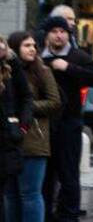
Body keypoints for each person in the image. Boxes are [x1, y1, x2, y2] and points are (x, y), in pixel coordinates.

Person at [40, 16, 93, 222]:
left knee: (69, 172)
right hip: (45, 124)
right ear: (47, 35)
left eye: (63, 31)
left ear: (68, 34)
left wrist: (67, 67)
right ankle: (46, 214)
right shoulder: (39, 58)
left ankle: (69, 215)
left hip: (69, 121)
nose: (59, 35)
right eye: (55, 31)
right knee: (46, 174)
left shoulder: (78, 56)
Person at [4, 34, 46, 222]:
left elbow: (30, 99)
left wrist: (21, 124)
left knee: (29, 194)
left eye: (33, 45)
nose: (32, 49)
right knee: (11, 195)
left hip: (27, 140)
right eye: (26, 45)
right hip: (10, 141)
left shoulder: (38, 70)